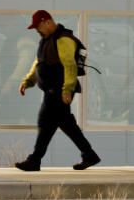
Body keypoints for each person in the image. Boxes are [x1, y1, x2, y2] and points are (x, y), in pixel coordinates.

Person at [15, 10, 101, 171]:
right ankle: (89, 155)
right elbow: (38, 63)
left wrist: (67, 90)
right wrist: (28, 81)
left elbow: (70, 65)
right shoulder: (46, 40)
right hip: (52, 89)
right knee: (65, 124)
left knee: (44, 121)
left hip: (60, 88)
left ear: (47, 22)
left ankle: (34, 160)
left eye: (38, 27)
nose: (37, 31)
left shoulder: (63, 40)